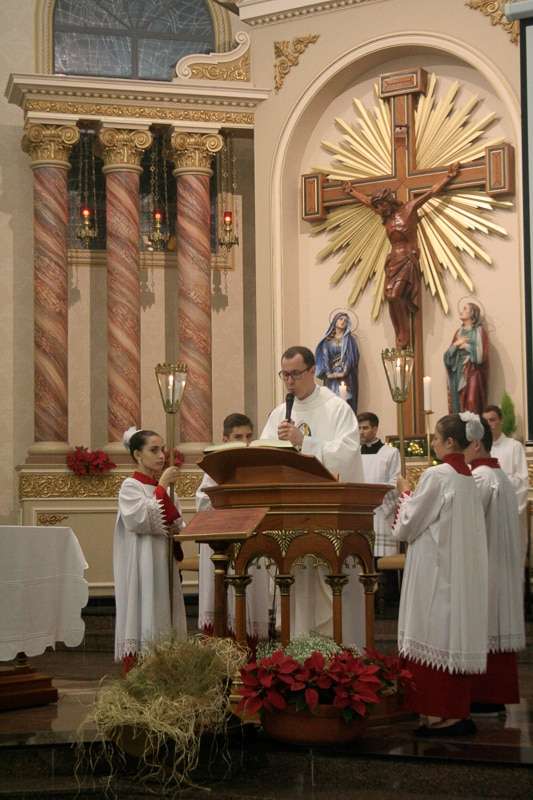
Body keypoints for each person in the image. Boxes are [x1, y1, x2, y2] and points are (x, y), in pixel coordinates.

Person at [261, 346, 364, 646]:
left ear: (312, 372)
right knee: (296, 587)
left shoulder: (336, 409)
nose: (289, 382)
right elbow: (266, 455)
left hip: (328, 517)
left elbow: (346, 456)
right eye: (284, 375)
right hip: (291, 517)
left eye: (295, 374)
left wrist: (303, 442)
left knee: (329, 589)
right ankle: (299, 655)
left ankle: (339, 656)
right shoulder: (280, 414)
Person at [393, 413, 488, 737]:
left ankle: (439, 714)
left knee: (432, 634)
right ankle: (452, 710)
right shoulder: (468, 478)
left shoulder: (438, 475)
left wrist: (405, 492)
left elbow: (408, 525)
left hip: (434, 572)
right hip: (458, 572)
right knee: (449, 636)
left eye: (435, 437)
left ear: (449, 442)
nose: (431, 442)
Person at [343, 163, 460, 348]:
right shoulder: (386, 217)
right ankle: (398, 331)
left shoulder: (409, 209)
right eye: (378, 207)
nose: (379, 210)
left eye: (381, 205)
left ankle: (404, 332)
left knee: (395, 295)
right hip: (392, 261)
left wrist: (448, 177)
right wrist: (352, 192)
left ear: (388, 202)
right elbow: (366, 202)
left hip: (407, 259)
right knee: (390, 296)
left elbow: (431, 193)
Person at [114, 427, 187, 672]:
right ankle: (142, 671)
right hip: (142, 561)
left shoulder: (164, 489)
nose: (161, 455)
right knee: (145, 608)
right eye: (154, 450)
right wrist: (163, 486)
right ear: (137, 454)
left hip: (164, 560)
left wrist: (177, 522)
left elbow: (176, 523)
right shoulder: (130, 486)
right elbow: (141, 520)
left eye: (163, 449)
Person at [465, 417, 525, 713]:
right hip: (497, 565)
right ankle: (493, 696)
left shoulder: (480, 478)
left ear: (475, 444)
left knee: (485, 624)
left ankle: (484, 696)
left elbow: (463, 521)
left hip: (485, 566)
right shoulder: (498, 476)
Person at [196, 413, 270, 640]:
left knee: (251, 599)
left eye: (249, 436)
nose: (245, 442)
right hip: (221, 543)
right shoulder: (214, 466)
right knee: (221, 599)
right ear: (225, 439)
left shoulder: (258, 467)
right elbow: (202, 502)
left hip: (251, 541)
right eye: (238, 437)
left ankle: (250, 657)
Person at [483, 405, 529, 562]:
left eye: (492, 419)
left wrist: (497, 481)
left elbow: (522, 481)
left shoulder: (514, 446)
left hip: (510, 515)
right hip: (489, 517)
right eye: (486, 421)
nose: (489, 424)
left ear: (500, 421)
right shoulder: (481, 449)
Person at [358, 411, 401, 558]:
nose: (361, 432)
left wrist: (376, 500)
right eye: (359, 428)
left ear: (375, 429)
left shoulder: (390, 452)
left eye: (365, 428)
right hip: (359, 513)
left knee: (381, 563)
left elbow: (395, 483)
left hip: (381, 513)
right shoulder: (354, 453)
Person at [444, 301, 489, 414]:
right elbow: (447, 358)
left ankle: (473, 429)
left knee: (471, 401)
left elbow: (481, 356)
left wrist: (466, 346)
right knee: (459, 404)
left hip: (473, 371)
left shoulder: (478, 331)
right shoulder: (458, 333)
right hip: (458, 372)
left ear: (472, 313)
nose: (461, 311)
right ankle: (460, 429)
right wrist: (456, 344)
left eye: (465, 309)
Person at [315, 311, 359, 411]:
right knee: (331, 402)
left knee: (345, 402)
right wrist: (329, 373)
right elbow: (325, 357)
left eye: (345, 320)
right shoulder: (327, 341)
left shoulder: (349, 340)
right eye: (340, 319)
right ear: (335, 321)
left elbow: (351, 357)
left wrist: (344, 372)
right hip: (331, 378)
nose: (343, 322)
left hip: (346, 377)